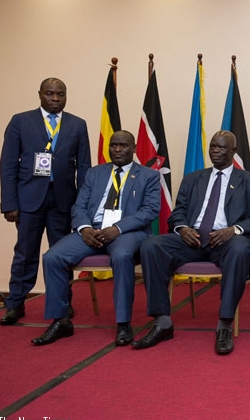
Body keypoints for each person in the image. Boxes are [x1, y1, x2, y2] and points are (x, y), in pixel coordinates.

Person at [131, 131, 250, 355]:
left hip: (227, 243)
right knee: (151, 245)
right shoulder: (193, 179)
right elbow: (178, 213)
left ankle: (224, 323)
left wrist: (233, 230)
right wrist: (182, 229)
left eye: (221, 147)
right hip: (192, 241)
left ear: (233, 152)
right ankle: (162, 320)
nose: (215, 150)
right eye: (213, 146)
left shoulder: (249, 181)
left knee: (241, 248)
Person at [31, 131, 160, 346]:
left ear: (134, 148)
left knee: (121, 256)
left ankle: (123, 323)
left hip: (127, 232)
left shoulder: (149, 175)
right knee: (52, 257)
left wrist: (117, 228)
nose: (117, 150)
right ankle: (61, 320)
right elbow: (79, 206)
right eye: (113, 145)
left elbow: (150, 210)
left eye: (123, 145)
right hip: (92, 230)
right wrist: (84, 228)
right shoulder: (94, 174)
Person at [0, 78, 91, 326]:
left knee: (62, 255)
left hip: (63, 201)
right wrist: (9, 203)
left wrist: (83, 208)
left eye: (60, 94)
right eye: (50, 94)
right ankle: (15, 304)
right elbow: (7, 165)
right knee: (25, 253)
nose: (55, 99)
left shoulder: (78, 125)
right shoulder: (20, 121)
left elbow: (84, 169)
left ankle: (62, 304)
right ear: (40, 94)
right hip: (28, 200)